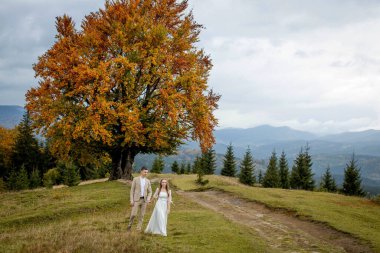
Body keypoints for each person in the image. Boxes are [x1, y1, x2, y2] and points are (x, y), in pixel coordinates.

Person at [127, 166, 152, 231]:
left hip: (144, 200)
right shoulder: (135, 179)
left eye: (147, 172)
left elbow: (150, 192)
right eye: (145, 172)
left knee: (142, 215)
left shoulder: (148, 181)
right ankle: (129, 226)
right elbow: (132, 190)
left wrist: (148, 199)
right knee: (133, 214)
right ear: (141, 171)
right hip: (136, 200)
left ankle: (138, 229)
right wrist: (131, 200)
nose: (146, 173)